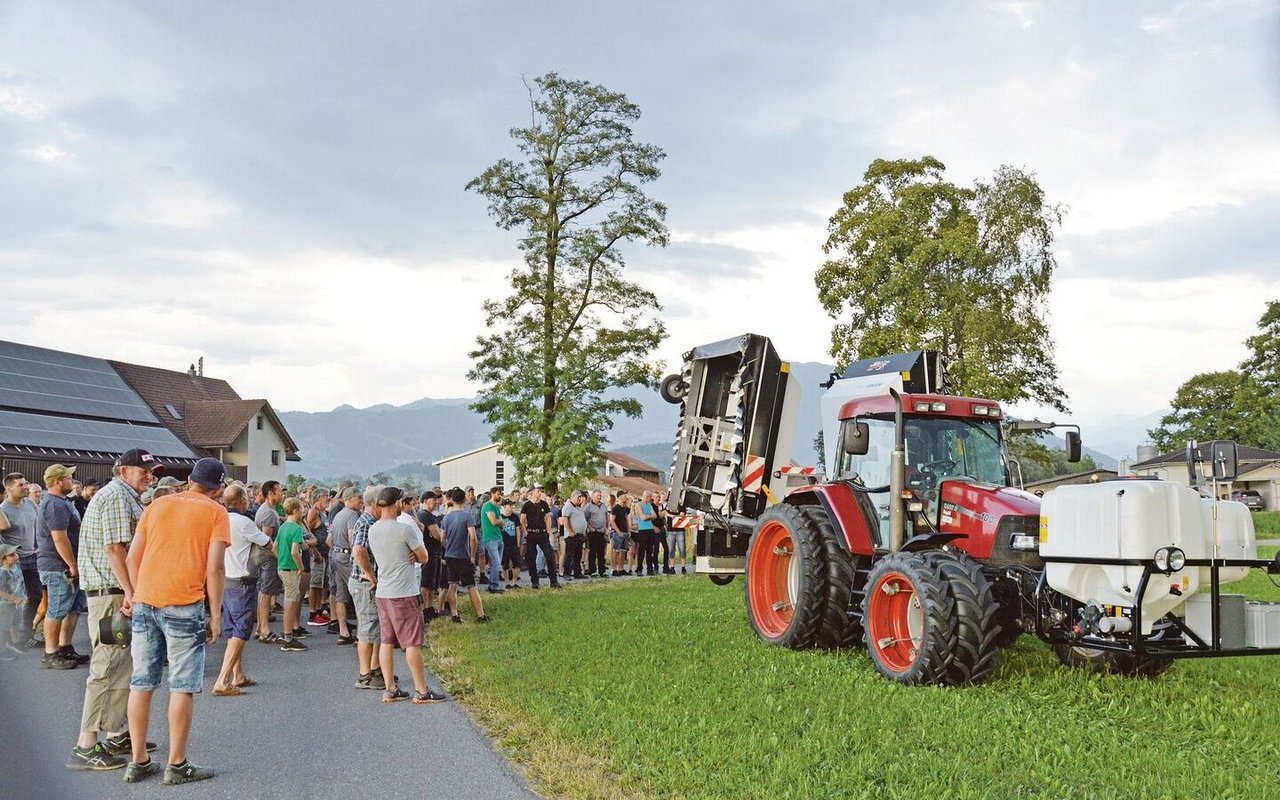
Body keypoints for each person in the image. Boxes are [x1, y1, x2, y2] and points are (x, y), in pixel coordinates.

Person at [122, 457, 229, 785]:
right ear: (218, 487)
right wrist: (215, 614)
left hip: (146, 600)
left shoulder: (157, 505)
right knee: (181, 685)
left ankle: (138, 760)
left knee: (141, 682)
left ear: (190, 479)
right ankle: (176, 764)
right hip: (184, 602)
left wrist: (136, 593)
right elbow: (215, 568)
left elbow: (132, 557)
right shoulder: (216, 512)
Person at [68, 450, 162, 770]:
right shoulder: (116, 497)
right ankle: (85, 746)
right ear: (123, 471)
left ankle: (115, 732)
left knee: (120, 666)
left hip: (114, 592)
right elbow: (114, 548)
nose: (149, 475)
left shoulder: (124, 495)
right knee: (106, 667)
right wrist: (132, 592)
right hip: (111, 593)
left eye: (151, 471)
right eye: (143, 470)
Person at [366, 486, 445, 705]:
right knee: (412, 642)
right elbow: (424, 556)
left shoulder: (373, 529)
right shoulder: (404, 529)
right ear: (397, 504)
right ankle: (421, 690)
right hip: (404, 591)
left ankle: (390, 688)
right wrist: (414, 554)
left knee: (386, 640)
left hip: (383, 592)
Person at [212, 483, 271, 695]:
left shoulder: (219, 519)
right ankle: (222, 680)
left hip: (226, 579)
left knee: (232, 629)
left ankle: (238, 675)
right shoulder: (244, 522)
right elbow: (267, 543)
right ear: (241, 501)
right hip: (242, 581)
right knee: (241, 629)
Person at [37, 464, 88, 669]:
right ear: (58, 482)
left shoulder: (63, 501)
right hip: (58, 566)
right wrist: (72, 564)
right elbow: (59, 538)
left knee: (72, 608)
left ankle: (65, 647)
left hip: (67, 564)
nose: (72, 481)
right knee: (57, 609)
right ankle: (50, 653)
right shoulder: (54, 505)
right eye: (68, 478)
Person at [350, 485, 388, 690]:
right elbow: (358, 549)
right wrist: (370, 574)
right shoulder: (367, 522)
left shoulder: (370, 521)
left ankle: (375, 669)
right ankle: (364, 674)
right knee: (367, 628)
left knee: (375, 628)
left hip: (367, 583)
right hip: (364, 583)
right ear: (375, 503)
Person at [0, 472, 41, 646]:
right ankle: (13, 639)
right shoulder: (3, 509)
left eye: (25, 484)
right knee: (16, 600)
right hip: (14, 561)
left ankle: (27, 634)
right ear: (9, 488)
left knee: (36, 596)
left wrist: (39, 546)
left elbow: (40, 524)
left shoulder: (30, 504)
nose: (25, 487)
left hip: (32, 557)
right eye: (20, 485)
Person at [441, 488, 488, 623]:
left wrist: (448, 547)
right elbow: (473, 537)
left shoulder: (446, 517)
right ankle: (480, 615)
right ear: (464, 500)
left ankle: (454, 614)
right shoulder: (467, 516)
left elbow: (443, 538)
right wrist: (472, 556)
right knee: (471, 586)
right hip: (463, 556)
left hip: (450, 556)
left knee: (452, 585)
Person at [326, 487, 363, 645]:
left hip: (336, 555)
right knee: (359, 593)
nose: (361, 501)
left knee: (341, 595)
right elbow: (352, 539)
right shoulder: (352, 515)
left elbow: (329, 540)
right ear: (349, 498)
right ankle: (361, 635)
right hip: (347, 557)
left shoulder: (338, 515)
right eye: (358, 497)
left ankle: (343, 632)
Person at [253, 481, 284, 643]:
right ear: (271, 494)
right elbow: (266, 540)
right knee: (265, 593)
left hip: (264, 559)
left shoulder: (268, 510)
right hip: (268, 559)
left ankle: (260, 627)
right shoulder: (269, 513)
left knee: (263, 592)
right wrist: (280, 557)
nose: (282, 494)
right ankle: (264, 629)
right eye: (279, 491)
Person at [275, 499, 308, 653]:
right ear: (295, 511)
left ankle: (288, 634)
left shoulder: (283, 527)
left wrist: (281, 558)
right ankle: (288, 637)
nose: (303, 511)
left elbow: (275, 547)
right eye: (301, 509)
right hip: (291, 568)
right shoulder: (296, 528)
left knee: (291, 599)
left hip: (282, 567)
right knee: (290, 601)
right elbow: (295, 551)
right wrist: (301, 567)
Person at [520, 487, 559, 589]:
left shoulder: (544, 504)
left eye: (540, 491)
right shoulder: (527, 505)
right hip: (531, 533)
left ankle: (553, 581)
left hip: (542, 533)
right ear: (532, 493)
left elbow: (548, 517)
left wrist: (548, 530)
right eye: (537, 491)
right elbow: (522, 519)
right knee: (531, 557)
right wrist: (525, 532)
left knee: (550, 556)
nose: (539, 493)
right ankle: (534, 580)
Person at [416, 491, 446, 618]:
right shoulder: (424, 515)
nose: (436, 502)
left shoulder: (431, 516)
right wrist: (439, 532)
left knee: (432, 583)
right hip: (429, 552)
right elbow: (437, 535)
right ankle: (424, 609)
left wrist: (439, 532)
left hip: (435, 552)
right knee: (426, 582)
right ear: (425, 501)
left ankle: (429, 607)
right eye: (433, 499)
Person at [0, 543, 26, 659]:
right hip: (5, 604)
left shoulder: (16, 567)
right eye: (11, 555)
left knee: (15, 623)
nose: (16, 556)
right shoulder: (3, 573)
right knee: (4, 627)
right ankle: (2, 650)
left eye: (15, 553)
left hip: (16, 603)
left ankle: (14, 643)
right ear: (3, 559)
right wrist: (13, 599)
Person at [479, 487, 505, 594]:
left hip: (498, 537)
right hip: (490, 538)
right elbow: (494, 521)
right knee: (496, 562)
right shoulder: (487, 506)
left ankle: (495, 584)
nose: (500, 496)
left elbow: (502, 523)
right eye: (498, 494)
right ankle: (493, 586)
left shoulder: (496, 507)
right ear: (492, 494)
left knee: (497, 563)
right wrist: (499, 521)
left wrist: (499, 521)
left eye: (500, 494)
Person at [561, 491, 588, 580]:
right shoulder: (568, 506)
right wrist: (570, 530)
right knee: (570, 555)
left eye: (580, 497)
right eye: (578, 497)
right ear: (573, 496)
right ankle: (567, 573)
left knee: (578, 555)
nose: (580, 499)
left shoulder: (578, 507)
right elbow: (565, 519)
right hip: (571, 536)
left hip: (579, 535)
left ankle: (577, 573)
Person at [584, 489, 610, 578]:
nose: (599, 497)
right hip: (593, 532)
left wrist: (607, 528)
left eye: (600, 495)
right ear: (593, 496)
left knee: (601, 552)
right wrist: (590, 527)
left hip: (602, 532)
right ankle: (592, 571)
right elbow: (585, 519)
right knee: (592, 552)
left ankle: (602, 571)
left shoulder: (603, 506)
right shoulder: (588, 507)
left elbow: (607, 517)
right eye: (597, 495)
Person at [499, 498, 522, 590]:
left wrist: (518, 543)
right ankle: (507, 582)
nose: (511, 507)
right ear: (504, 506)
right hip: (504, 543)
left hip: (513, 543)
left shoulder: (515, 517)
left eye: (512, 505)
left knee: (517, 563)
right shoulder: (500, 517)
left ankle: (514, 582)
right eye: (509, 505)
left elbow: (518, 530)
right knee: (505, 564)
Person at [610, 491, 633, 577]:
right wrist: (618, 531)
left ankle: (621, 568)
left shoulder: (624, 508)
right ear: (619, 497)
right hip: (618, 533)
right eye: (624, 495)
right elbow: (612, 520)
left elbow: (626, 520)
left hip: (625, 532)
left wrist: (629, 530)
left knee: (623, 551)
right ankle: (614, 569)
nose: (625, 497)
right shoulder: (615, 508)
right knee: (616, 551)